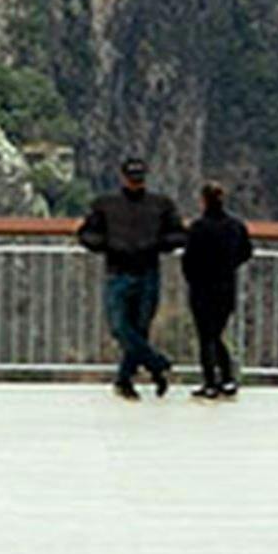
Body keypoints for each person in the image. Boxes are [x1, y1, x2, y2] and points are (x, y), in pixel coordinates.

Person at [77, 157, 187, 400]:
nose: (135, 182)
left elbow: (179, 235)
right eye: (131, 177)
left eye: (139, 178)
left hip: (148, 272)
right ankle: (156, 364)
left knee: (140, 327)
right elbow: (86, 234)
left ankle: (125, 379)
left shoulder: (161, 205)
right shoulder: (105, 204)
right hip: (118, 272)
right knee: (119, 327)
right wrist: (108, 245)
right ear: (123, 177)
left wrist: (156, 244)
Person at [182, 182, 252, 398]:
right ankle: (227, 378)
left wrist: (192, 278)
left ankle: (211, 381)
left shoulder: (198, 227)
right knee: (216, 333)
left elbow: (188, 259)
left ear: (203, 200)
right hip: (225, 286)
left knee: (206, 336)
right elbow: (246, 251)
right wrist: (229, 266)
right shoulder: (236, 226)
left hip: (202, 287)